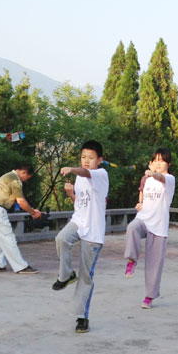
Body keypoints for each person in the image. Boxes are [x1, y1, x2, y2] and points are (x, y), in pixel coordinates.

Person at [52, 140, 109, 333]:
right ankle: (66, 275)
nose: (86, 161)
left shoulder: (100, 174)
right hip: (79, 221)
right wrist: (70, 195)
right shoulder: (80, 179)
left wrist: (72, 169)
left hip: (93, 231)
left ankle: (82, 317)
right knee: (61, 239)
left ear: (99, 160)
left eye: (91, 158)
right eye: (83, 157)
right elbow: (82, 204)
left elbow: (85, 173)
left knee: (86, 275)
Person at [124, 148, 176, 309]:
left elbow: (160, 177)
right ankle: (132, 259)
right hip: (144, 218)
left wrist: (153, 174)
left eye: (162, 160)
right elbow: (143, 195)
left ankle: (149, 297)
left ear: (168, 163)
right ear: (151, 163)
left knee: (154, 264)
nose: (158, 164)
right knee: (132, 227)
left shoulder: (169, 179)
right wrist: (140, 203)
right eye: (155, 161)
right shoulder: (146, 179)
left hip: (159, 226)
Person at [0, 162, 42, 274]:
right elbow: (21, 201)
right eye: (27, 177)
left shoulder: (7, 176)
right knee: (8, 238)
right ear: (24, 172)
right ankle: (21, 267)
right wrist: (33, 212)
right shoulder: (14, 179)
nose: (25, 180)